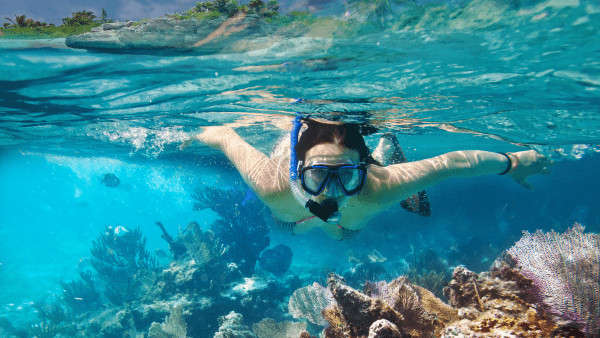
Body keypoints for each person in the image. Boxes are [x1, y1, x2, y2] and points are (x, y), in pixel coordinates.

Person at [184, 117, 551, 240]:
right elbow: (223, 135)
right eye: (317, 176)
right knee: (291, 225)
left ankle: (385, 149)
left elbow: (451, 163)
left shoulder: (379, 186)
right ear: (298, 172)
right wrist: (186, 136)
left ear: (364, 169)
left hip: (351, 211)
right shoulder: (272, 183)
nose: (331, 191)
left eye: (346, 176)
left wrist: (513, 161)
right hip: (291, 218)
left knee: (344, 234)